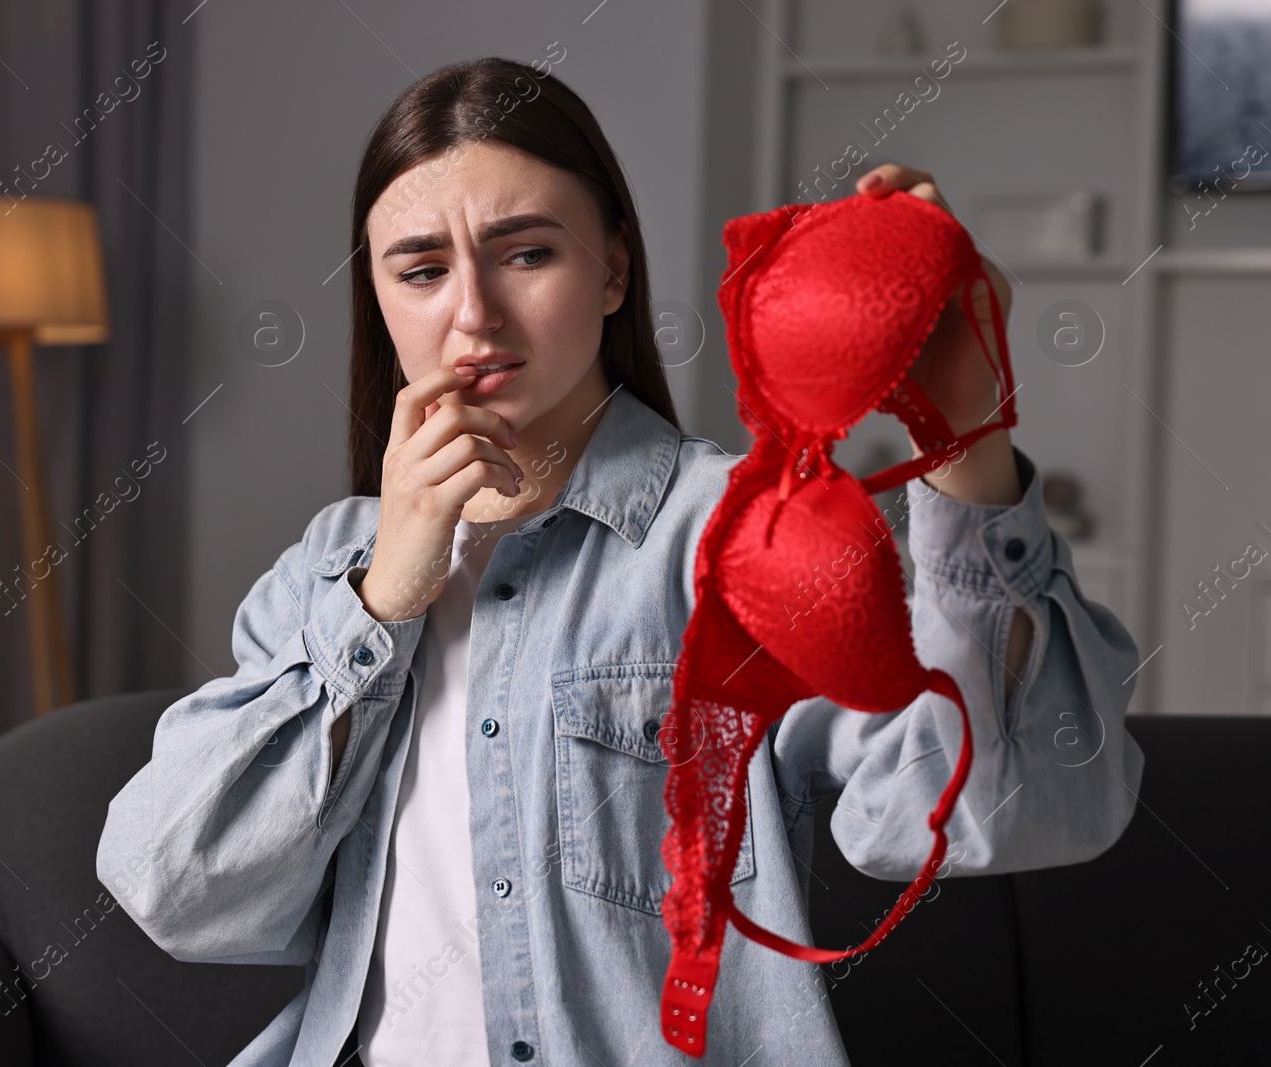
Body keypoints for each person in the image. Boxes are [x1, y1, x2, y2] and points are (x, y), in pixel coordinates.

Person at [95, 55, 1144, 1067]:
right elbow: (180, 889)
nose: (471, 314)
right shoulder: (331, 566)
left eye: (526, 252)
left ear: (614, 270)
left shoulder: (740, 531)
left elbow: (982, 813)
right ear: (377, 295)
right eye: (420, 270)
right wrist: (381, 603)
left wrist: (967, 436)